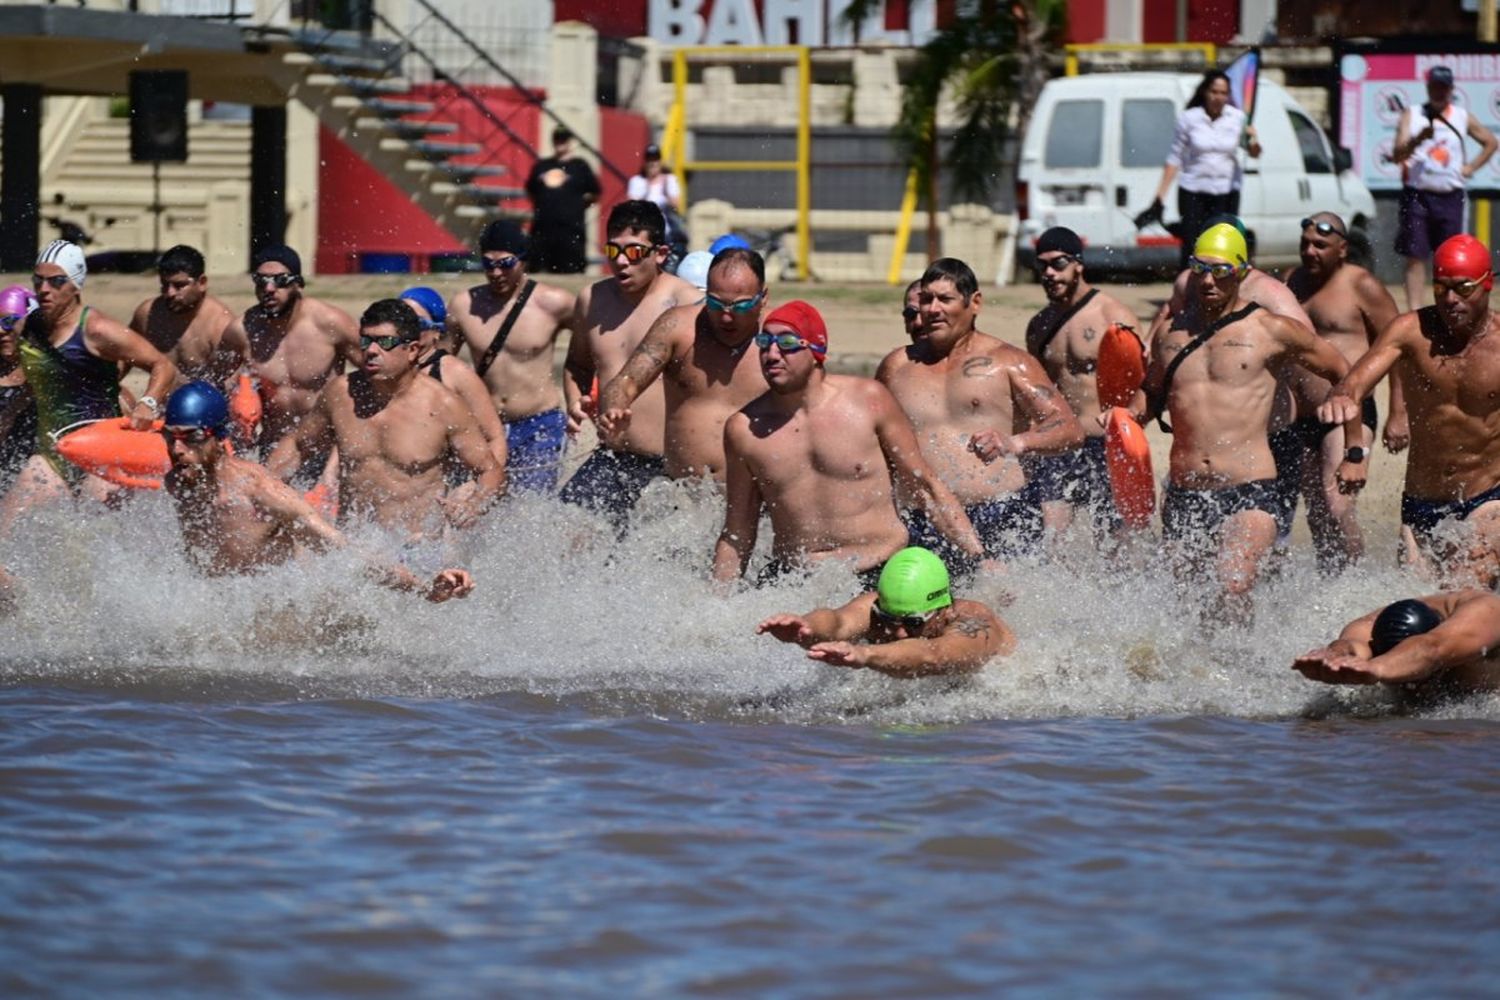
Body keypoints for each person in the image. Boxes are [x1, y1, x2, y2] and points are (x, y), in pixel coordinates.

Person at [1133, 224, 1355, 625]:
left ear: (1241, 271)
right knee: (1187, 602)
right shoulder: (1170, 334)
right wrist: (1126, 419)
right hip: (1185, 492)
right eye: (1199, 268)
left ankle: (1245, 668)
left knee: (1233, 582)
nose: (1207, 280)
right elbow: (1151, 393)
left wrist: (1354, 448)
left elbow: (1343, 371)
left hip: (1250, 490)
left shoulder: (1270, 330)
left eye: (1219, 271)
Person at [713, 301, 985, 585]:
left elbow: (925, 487)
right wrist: (717, 607)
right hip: (796, 579)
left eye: (787, 343)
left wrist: (979, 559)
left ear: (816, 350)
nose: (771, 353)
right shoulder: (744, 429)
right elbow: (738, 532)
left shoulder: (869, 400)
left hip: (882, 570)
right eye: (764, 342)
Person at [161, 381, 472, 602]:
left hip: (274, 607)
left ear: (219, 437)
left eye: (192, 437)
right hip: (221, 604)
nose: (177, 449)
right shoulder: (179, 483)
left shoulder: (259, 492)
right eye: (169, 436)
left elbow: (344, 552)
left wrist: (422, 589)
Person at [1318, 233, 1500, 587]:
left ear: (1487, 283)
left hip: (1488, 498)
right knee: (1416, 610)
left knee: (1463, 596)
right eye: (1440, 288)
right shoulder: (1410, 331)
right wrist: (1346, 405)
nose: (1450, 300)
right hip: (1421, 502)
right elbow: (1356, 381)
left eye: (1462, 289)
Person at [876, 258, 1081, 564]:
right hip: (925, 519)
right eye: (926, 299)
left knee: (1007, 608)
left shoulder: (1008, 361)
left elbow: (1068, 428)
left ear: (975, 303)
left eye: (945, 299)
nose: (932, 309)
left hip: (999, 514)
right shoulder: (896, 366)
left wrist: (1015, 443)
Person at [268, 299, 504, 540]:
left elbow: (489, 470)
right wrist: (263, 490)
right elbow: (298, 446)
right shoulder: (342, 394)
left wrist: (474, 505)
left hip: (418, 548)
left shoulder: (443, 406)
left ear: (412, 350)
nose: (371, 351)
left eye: (385, 343)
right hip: (356, 547)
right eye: (366, 340)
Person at [0, 241, 178, 529]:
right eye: (39, 280)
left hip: (101, 454)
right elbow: (38, 380)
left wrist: (148, 403)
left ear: (75, 285)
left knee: (97, 542)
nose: (44, 288)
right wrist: (7, 417)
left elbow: (163, 366)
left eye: (56, 281)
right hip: (51, 454)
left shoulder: (97, 330)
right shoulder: (30, 326)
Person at [561, 201, 698, 525]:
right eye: (613, 250)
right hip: (611, 457)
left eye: (635, 252)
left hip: (669, 467)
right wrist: (575, 402)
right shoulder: (591, 300)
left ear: (660, 254)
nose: (621, 262)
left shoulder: (686, 303)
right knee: (562, 532)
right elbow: (576, 366)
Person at [1283, 212, 1403, 571]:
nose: (1310, 251)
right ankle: (1329, 583)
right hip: (1301, 416)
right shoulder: (1291, 281)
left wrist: (1399, 414)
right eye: (1305, 243)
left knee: (1337, 504)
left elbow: (1397, 350)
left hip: (1349, 414)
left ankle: (1353, 578)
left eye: (1320, 245)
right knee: (1317, 513)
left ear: (1342, 248)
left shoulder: (1362, 285)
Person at [597, 247, 771, 481]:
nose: (727, 316)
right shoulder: (677, 327)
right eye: (716, 304)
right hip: (681, 497)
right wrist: (614, 408)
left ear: (763, 297)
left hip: (754, 499)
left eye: (740, 306)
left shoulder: (778, 339)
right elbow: (626, 381)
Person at [1022, 227, 1140, 537]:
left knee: (1114, 541)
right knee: (1052, 538)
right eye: (1042, 265)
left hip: (1105, 443)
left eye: (1058, 263)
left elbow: (1141, 383)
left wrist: (1128, 431)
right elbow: (1035, 390)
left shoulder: (1112, 315)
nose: (1049, 273)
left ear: (1079, 264)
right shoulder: (1039, 325)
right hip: (1060, 443)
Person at [446, 221, 575, 494]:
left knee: (530, 509)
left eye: (505, 263)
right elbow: (440, 364)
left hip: (539, 425)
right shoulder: (464, 306)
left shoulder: (554, 303)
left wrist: (584, 396)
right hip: (484, 425)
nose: (495, 272)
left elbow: (594, 348)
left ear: (523, 260)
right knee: (481, 510)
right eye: (488, 263)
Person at [756, 546, 1013, 678]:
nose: (898, 632)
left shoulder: (975, 624)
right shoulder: (877, 609)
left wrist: (865, 654)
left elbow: (934, 655)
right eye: (890, 619)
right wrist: (805, 627)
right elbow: (838, 621)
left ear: (943, 610)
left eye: (913, 622)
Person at [225, 244, 361, 474]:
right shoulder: (242, 332)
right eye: (261, 280)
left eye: (280, 280)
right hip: (273, 450)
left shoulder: (330, 323)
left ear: (298, 283)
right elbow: (214, 384)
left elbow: (381, 376)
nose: (269, 288)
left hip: (326, 451)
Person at [1391, 65, 1498, 311]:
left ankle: (1448, 306)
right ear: (1428, 88)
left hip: (1450, 196)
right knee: (1415, 255)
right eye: (1434, 87)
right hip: (1417, 195)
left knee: (1450, 256)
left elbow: (1491, 142)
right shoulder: (1412, 114)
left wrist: (1470, 167)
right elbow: (1397, 155)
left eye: (1444, 87)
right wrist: (1418, 139)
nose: (1439, 92)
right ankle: (1415, 310)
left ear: (1450, 90)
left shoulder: (1461, 116)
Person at [1137, 69, 1262, 269]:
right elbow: (1174, 157)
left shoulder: (1238, 118)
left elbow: (1254, 152)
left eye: (1223, 93)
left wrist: (1253, 138)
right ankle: (1188, 289)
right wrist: (1159, 196)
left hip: (1226, 192)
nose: (1218, 97)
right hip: (1193, 190)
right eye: (1214, 92)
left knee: (1223, 241)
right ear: (1205, 92)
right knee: (1193, 242)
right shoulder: (1189, 118)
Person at [1294, 591, 1500, 696]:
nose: (1416, 688)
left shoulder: (1486, 612)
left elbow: (1431, 648)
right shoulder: (1371, 624)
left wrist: (1377, 667)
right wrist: (1334, 657)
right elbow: (1351, 643)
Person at [400, 285, 508, 476]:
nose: (406, 330)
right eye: (400, 322)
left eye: (416, 323)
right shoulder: (385, 371)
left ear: (436, 331)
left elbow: (494, 437)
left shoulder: (455, 374)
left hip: (446, 487)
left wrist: (477, 491)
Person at [128, 244, 244, 388]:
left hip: (209, 407)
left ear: (202, 283)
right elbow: (121, 357)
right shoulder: (147, 314)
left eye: (179, 285)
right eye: (164, 285)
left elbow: (237, 385)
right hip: (161, 404)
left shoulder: (220, 326)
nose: (170, 293)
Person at [525, 127, 601, 274]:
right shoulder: (542, 166)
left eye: (564, 139)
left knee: (570, 272)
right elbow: (530, 191)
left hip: (570, 231)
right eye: (557, 139)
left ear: (570, 142)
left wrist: (577, 207)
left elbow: (595, 193)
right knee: (537, 272)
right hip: (543, 231)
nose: (560, 143)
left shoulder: (580, 166)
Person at [0, 285, 37, 496]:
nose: (0, 331)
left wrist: (10, 414)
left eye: (8, 322)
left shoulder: (53, 370)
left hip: (33, 478)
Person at [626, 143, 687, 263]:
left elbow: (676, 204)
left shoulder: (670, 179)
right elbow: (631, 206)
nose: (652, 163)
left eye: (656, 159)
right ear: (645, 162)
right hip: (643, 230)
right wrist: (648, 187)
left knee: (667, 262)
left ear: (660, 161)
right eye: (649, 159)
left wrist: (665, 190)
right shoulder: (637, 181)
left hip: (667, 232)